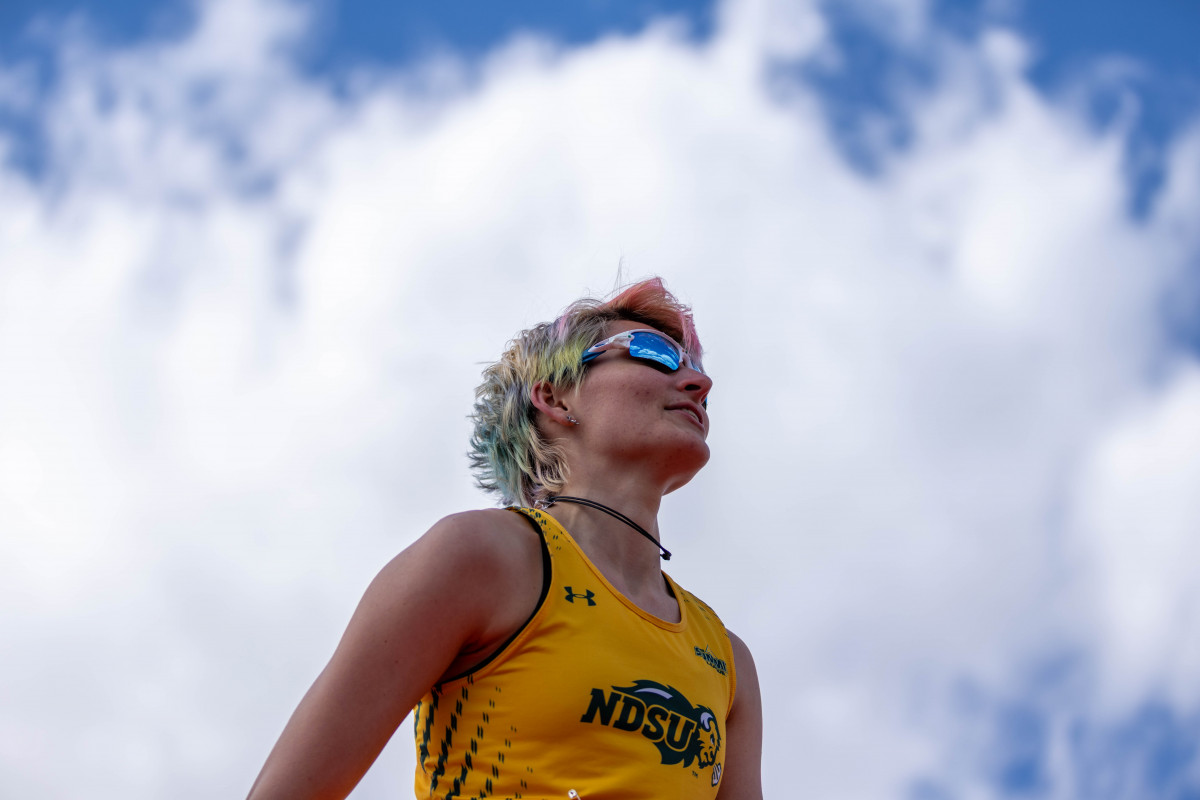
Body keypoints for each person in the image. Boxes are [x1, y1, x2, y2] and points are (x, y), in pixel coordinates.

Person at [248, 278, 763, 799]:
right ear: (554, 396)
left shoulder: (726, 658)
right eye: (654, 354)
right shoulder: (479, 557)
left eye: (696, 371)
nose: (699, 384)